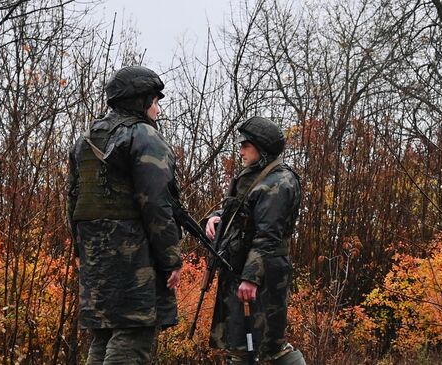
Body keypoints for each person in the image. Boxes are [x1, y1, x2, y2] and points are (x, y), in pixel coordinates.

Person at [67, 65, 182, 365]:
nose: (157, 110)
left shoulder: (86, 140)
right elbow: (158, 205)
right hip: (135, 260)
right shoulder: (143, 135)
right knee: (131, 339)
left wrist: (85, 253)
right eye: (155, 101)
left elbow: (74, 202)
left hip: (96, 261)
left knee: (103, 338)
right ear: (140, 102)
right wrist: (171, 259)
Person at [205, 116, 306, 365]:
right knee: (243, 344)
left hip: (263, 275)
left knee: (262, 346)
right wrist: (215, 218)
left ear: (261, 149)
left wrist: (251, 277)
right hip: (240, 269)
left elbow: (268, 236)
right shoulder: (253, 176)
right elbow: (237, 212)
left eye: (245, 146)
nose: (240, 151)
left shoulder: (278, 183)